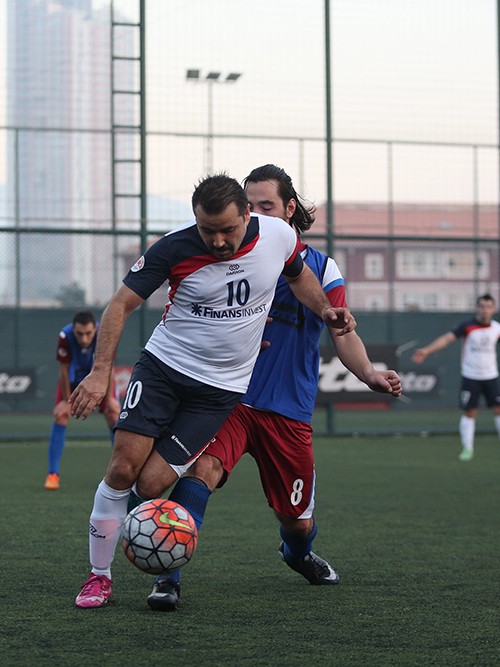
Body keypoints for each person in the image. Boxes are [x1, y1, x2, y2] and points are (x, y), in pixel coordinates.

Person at [70, 173, 355, 609]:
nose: (219, 241)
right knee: (124, 468)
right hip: (164, 369)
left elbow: (299, 277)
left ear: (247, 215)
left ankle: (152, 541)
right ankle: (99, 576)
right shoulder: (173, 248)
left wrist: (325, 309)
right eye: (208, 231)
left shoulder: (277, 236)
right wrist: (99, 372)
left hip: (218, 392)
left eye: (228, 230)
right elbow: (120, 305)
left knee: (151, 483)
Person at [144, 164, 403, 611]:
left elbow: (342, 330)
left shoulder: (320, 268)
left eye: (267, 205)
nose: (256, 213)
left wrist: (368, 374)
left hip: (288, 410)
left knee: (297, 521)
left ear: (290, 208)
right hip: (228, 398)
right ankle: (169, 575)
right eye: (250, 206)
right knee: (201, 471)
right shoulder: (227, 258)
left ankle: (297, 554)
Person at [411, 294, 500, 460]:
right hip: (471, 376)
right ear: (477, 308)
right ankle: (467, 449)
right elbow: (447, 339)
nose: (485, 310)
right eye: (482, 306)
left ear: (493, 309)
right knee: (470, 412)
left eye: (488, 307)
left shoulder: (497, 328)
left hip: (491, 376)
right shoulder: (467, 326)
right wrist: (427, 351)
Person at [45, 310, 121, 491]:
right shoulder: (65, 336)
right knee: (61, 415)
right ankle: (53, 474)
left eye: (88, 333)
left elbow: (109, 367)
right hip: (72, 382)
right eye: (80, 334)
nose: (84, 339)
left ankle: (119, 473)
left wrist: (109, 399)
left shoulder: (104, 334)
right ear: (74, 330)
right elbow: (63, 370)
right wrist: (66, 401)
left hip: (99, 380)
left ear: (94, 329)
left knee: (114, 414)